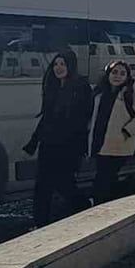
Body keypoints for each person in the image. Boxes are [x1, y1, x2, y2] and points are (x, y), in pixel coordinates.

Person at [23, 49, 93, 227]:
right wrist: (33, 142)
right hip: (49, 144)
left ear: (71, 65)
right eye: (55, 64)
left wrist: (78, 147)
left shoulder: (81, 87)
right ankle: (40, 223)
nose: (58, 68)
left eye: (62, 64)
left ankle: (84, 206)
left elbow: (84, 119)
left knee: (64, 183)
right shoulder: (52, 86)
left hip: (69, 145)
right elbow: (46, 117)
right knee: (42, 185)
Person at [89, 60, 135, 204]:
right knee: (105, 176)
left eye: (122, 73)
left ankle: (101, 204)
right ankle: (107, 203)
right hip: (100, 142)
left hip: (120, 143)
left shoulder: (131, 89)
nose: (118, 76)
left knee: (105, 176)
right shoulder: (101, 90)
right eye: (114, 72)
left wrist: (129, 130)